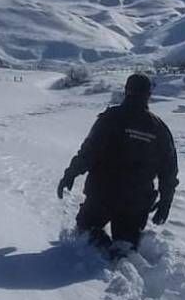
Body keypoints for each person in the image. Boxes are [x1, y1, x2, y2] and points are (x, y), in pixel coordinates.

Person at [56, 73, 178, 254]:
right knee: (126, 243)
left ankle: (99, 252)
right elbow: (169, 170)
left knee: (86, 232)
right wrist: (166, 201)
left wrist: (70, 174)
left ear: (126, 91)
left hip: (102, 196)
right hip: (136, 203)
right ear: (148, 95)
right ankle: (122, 254)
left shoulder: (110, 118)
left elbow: (89, 152)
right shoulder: (159, 128)